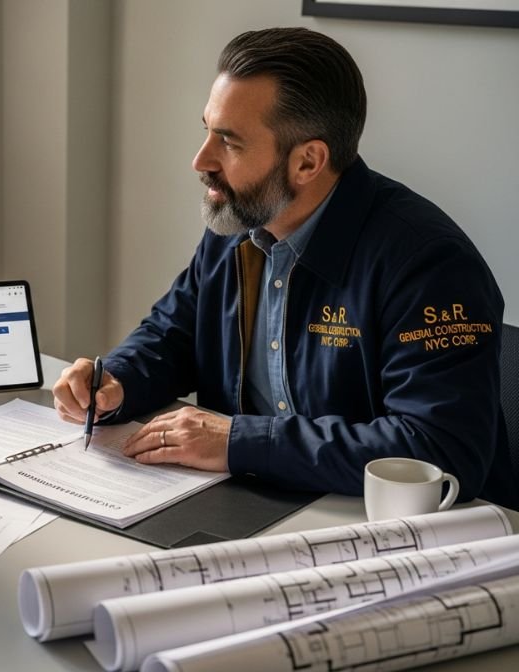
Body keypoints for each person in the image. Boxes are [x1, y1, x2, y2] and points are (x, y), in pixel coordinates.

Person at [53, 27, 515, 509]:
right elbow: (176, 334)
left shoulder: (427, 262)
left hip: (402, 533)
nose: (200, 160)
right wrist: (116, 381)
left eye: (228, 142)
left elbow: (438, 449)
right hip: (259, 501)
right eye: (206, 129)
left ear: (308, 162)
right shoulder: (236, 225)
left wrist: (239, 441)